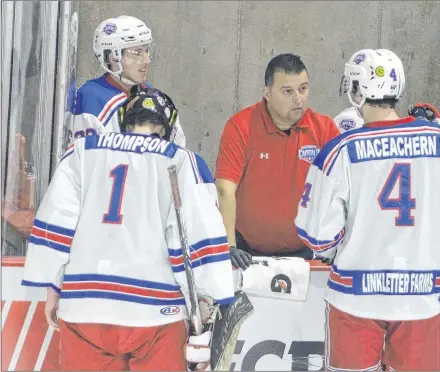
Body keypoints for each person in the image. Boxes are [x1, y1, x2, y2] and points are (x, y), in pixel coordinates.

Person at [21, 88, 235, 371]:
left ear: (125, 120)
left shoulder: (81, 151)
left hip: (86, 306)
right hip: (156, 313)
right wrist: (208, 297)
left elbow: (57, 225)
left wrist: (54, 287)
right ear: (167, 125)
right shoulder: (180, 160)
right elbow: (194, 237)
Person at [295, 48, 440, 371]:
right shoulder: (437, 140)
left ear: (358, 89)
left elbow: (316, 236)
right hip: (422, 298)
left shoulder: (342, 150)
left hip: (355, 299)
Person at [215, 53, 340, 269]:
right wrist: (228, 245)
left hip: (307, 253)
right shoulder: (240, 127)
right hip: (246, 253)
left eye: (303, 89)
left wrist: (335, 247)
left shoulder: (325, 130)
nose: (298, 99)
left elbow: (342, 193)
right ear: (267, 93)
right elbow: (225, 189)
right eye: (287, 91)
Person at [69, 15, 186, 147]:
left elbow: (177, 153)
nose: (147, 60)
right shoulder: (90, 98)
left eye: (147, 51)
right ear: (112, 57)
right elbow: (84, 160)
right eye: (137, 53)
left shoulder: (154, 98)